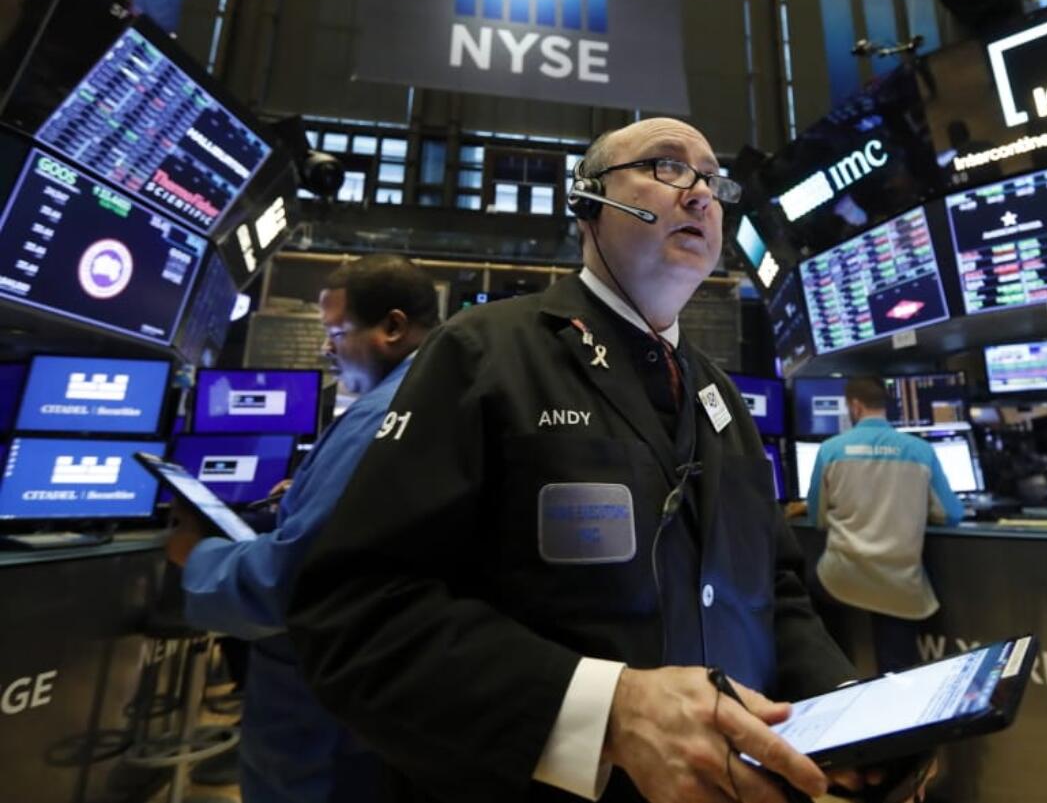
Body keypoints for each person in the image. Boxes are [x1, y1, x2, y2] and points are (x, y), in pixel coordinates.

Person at [288, 119, 929, 803]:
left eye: (713, 179)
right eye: (667, 166)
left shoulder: (724, 401)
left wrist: (845, 713)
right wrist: (606, 711)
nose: (700, 195)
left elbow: (777, 595)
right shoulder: (482, 352)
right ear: (588, 203)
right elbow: (355, 613)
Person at [164, 253, 439, 803]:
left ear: (392, 327)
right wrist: (310, 493)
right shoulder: (436, 390)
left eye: (337, 332)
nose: (327, 349)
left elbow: (291, 582)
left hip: (321, 717)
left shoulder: (380, 416)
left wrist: (196, 554)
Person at [806, 376, 965, 673]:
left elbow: (817, 517)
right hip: (898, 584)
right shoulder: (921, 451)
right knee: (898, 671)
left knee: (812, 595)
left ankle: (837, 675)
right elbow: (951, 514)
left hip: (842, 577)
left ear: (854, 406)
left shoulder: (830, 449)